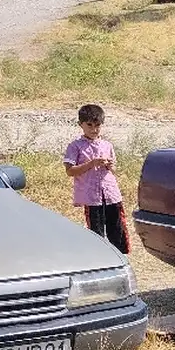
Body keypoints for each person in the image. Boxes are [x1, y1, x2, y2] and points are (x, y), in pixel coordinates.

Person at [63, 104, 129, 254]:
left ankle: (119, 257)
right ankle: (100, 257)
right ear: (81, 125)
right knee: (96, 231)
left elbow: (115, 170)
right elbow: (70, 171)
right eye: (89, 125)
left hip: (111, 194)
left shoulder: (107, 145)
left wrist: (110, 166)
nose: (94, 129)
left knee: (117, 228)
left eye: (97, 125)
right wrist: (91, 164)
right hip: (91, 197)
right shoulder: (75, 146)